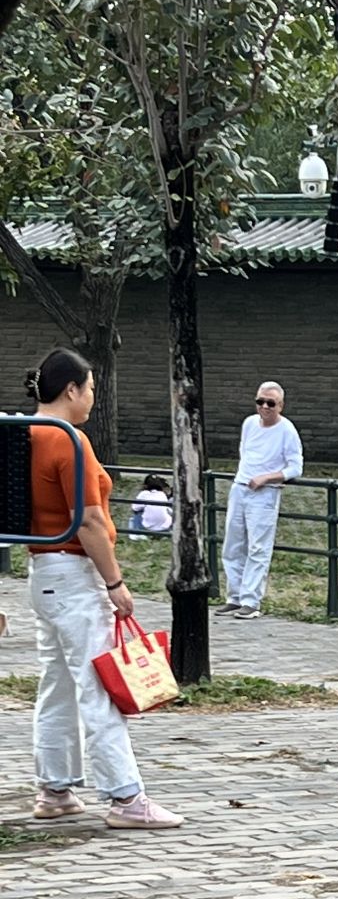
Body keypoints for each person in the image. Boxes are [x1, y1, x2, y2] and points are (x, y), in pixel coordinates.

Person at [24, 347, 183, 830]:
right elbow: (89, 520)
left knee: (57, 684)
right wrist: (115, 582)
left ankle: (55, 788)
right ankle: (126, 797)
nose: (93, 397)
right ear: (71, 389)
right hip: (75, 574)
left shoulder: (20, 434)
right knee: (99, 686)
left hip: (41, 571)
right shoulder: (69, 441)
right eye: (90, 388)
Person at [217, 381, 302, 620]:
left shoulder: (287, 430)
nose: (265, 407)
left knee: (258, 547)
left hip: (265, 492)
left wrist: (267, 477)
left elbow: (295, 467)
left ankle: (251, 600)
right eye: (260, 402)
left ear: (280, 406)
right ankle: (234, 597)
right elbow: (245, 451)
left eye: (270, 403)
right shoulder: (249, 424)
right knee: (232, 544)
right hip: (240, 487)